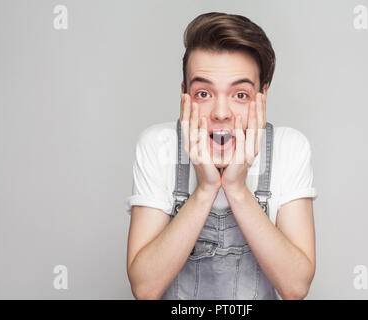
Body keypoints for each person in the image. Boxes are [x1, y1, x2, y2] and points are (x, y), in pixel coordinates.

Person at [125, 12, 318, 300]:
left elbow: (295, 287)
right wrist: (205, 189)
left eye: (240, 95)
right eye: (204, 93)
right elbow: (145, 288)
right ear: (184, 96)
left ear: (263, 96)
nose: (221, 113)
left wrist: (237, 188)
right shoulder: (158, 145)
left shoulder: (289, 148)